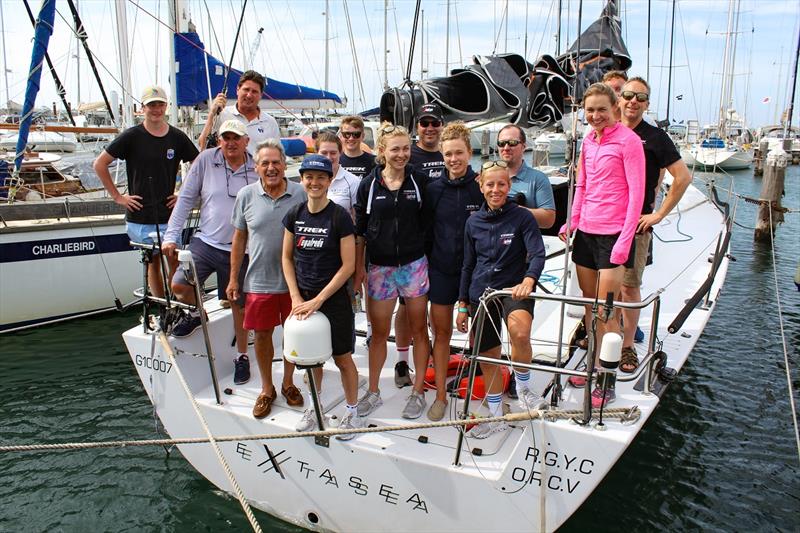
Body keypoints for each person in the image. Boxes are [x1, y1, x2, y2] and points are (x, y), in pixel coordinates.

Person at [558, 83, 645, 408]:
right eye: (590, 110)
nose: (595, 116)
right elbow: (582, 185)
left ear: (614, 109)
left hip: (613, 237)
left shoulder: (629, 141)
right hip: (587, 236)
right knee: (589, 308)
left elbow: (636, 195)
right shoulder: (588, 142)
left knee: (608, 313)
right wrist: (573, 221)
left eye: (601, 110)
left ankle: (606, 380)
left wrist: (625, 241)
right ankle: (593, 363)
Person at [456, 160, 546, 439]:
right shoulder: (473, 222)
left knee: (520, 332)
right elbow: (467, 265)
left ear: (509, 186)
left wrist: (529, 280)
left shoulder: (522, 217)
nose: (496, 189)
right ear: (481, 187)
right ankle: (495, 414)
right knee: (487, 354)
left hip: (514, 288)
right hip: (481, 293)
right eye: (490, 184)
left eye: (502, 184)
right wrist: (462, 304)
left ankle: (524, 389)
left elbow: (538, 252)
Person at [162, 120, 255, 385]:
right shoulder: (205, 160)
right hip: (206, 241)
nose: (231, 142)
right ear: (219, 140)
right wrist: (171, 236)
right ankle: (196, 312)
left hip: (241, 248)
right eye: (225, 137)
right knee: (179, 285)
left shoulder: (256, 165)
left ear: (246, 141)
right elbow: (186, 199)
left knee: (238, 304)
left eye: (236, 137)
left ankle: (242, 356)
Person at [282, 154, 363, 440]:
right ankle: (314, 408)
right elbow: (287, 258)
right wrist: (295, 296)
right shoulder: (295, 214)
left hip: (333, 301)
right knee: (310, 360)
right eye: (309, 177)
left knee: (342, 359)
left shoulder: (339, 216)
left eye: (321, 177)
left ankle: (351, 413)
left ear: (329, 181)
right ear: (302, 180)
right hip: (303, 299)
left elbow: (348, 266)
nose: (314, 182)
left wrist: (320, 299)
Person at [353, 123, 431, 420]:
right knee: (379, 334)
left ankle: (418, 391)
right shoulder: (370, 185)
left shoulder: (419, 182)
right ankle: (373, 391)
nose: (401, 154)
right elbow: (360, 231)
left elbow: (429, 223)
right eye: (395, 149)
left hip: (413, 265)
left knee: (419, 330)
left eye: (406, 149)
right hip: (380, 269)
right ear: (382, 151)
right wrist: (360, 268)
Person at [94, 85, 198, 298]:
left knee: (174, 261)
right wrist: (118, 197)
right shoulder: (132, 136)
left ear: (166, 106)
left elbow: (197, 165)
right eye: (151, 105)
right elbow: (100, 164)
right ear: (143, 108)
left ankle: (179, 305)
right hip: (140, 215)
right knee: (153, 262)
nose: (156, 109)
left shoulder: (177, 137)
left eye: (160, 104)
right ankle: (162, 306)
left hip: (169, 214)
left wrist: (182, 194)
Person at [617, 76, 692, 371]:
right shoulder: (607, 131)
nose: (633, 101)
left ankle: (626, 346)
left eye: (641, 97)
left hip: (635, 224)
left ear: (647, 104)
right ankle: (600, 334)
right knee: (601, 285)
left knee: (628, 286)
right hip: (604, 221)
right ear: (619, 99)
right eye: (628, 95)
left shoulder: (656, 137)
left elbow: (683, 177)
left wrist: (658, 214)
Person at [228, 139, 307, 419]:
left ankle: (288, 383)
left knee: (292, 334)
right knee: (261, 335)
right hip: (258, 280)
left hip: (294, 282)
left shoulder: (301, 193)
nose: (271, 168)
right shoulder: (246, 196)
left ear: (285, 165)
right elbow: (238, 240)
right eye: (265, 163)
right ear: (256, 167)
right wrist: (233, 279)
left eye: (276, 162)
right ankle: (266, 388)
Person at [423, 122, 484, 421]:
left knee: (481, 334)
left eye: (458, 153)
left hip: (477, 273)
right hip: (443, 271)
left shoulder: (482, 187)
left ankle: (479, 385)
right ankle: (440, 396)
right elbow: (424, 232)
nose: (453, 159)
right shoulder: (433, 190)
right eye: (448, 154)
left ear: (469, 152)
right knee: (442, 333)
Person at [391, 103, 446, 388]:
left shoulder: (449, 154)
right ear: (418, 127)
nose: (429, 128)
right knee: (406, 305)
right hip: (413, 245)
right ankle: (402, 361)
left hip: (443, 243)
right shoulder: (408, 158)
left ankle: (436, 359)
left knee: (437, 306)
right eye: (424, 123)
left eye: (434, 123)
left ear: (441, 126)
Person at [198, 70, 279, 154]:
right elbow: (202, 144)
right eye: (246, 89)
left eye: (254, 91)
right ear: (237, 90)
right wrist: (211, 114)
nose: (249, 95)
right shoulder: (221, 115)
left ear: (260, 95)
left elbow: (276, 155)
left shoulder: (270, 122)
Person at [496, 124, 556, 229]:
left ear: (524, 147)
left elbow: (548, 220)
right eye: (501, 143)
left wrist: (514, 210)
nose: (506, 148)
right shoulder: (487, 177)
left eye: (512, 143)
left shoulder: (538, 179)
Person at [315, 132, 360, 218]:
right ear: (316, 153)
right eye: (324, 153)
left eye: (333, 153)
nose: (328, 157)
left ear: (340, 153)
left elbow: (357, 219)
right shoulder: (308, 182)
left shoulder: (353, 181)